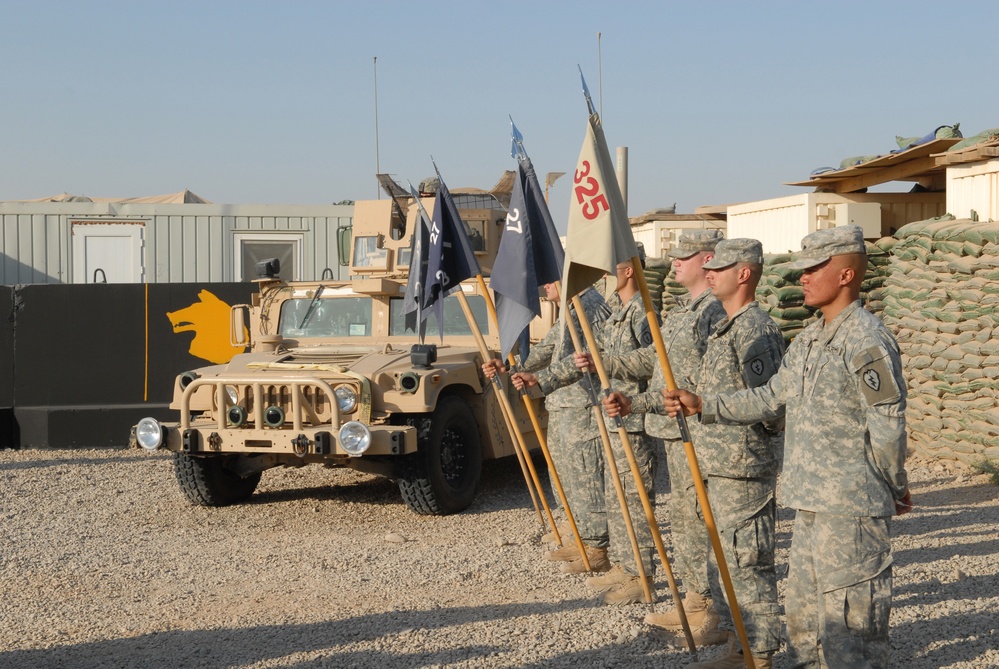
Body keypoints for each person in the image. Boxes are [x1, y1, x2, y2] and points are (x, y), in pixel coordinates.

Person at [664, 226, 911, 669]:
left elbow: (888, 425)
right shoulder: (812, 339)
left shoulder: (867, 340)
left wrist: (894, 484)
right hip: (812, 502)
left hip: (851, 507)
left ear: (846, 275)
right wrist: (704, 404)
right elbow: (768, 396)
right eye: (803, 268)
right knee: (806, 624)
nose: (804, 276)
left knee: (851, 630)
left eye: (816, 268)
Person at [576, 229, 728, 643]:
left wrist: (640, 401)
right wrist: (607, 366)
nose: (675, 262)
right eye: (674, 256)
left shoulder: (714, 312)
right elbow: (657, 360)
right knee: (685, 520)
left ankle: (710, 608)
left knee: (701, 520)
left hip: (699, 431)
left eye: (684, 256)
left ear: (709, 258)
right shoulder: (686, 308)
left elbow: (707, 377)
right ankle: (696, 600)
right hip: (673, 425)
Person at [523, 256, 658, 605]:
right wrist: (528, 372)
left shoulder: (631, 310)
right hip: (605, 410)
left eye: (614, 265)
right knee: (608, 490)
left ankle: (622, 561)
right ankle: (618, 558)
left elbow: (647, 360)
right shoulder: (612, 306)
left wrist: (544, 378)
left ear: (629, 270)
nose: (606, 271)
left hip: (622, 413)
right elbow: (563, 352)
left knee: (619, 490)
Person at [482, 283, 612, 573]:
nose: (545, 286)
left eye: (552, 277)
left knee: (585, 475)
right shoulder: (570, 307)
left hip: (584, 403)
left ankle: (595, 547)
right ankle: (578, 534)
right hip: (563, 402)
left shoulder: (589, 304)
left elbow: (588, 356)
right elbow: (549, 348)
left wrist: (543, 378)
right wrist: (510, 367)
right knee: (564, 474)